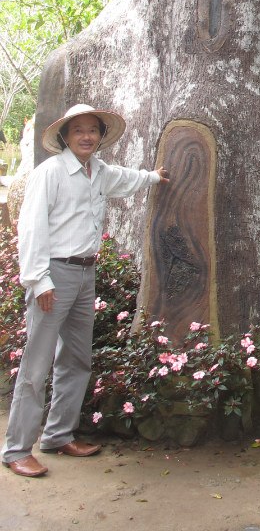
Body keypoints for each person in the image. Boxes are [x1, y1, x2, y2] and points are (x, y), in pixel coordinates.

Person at [2, 104, 169, 479]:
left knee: (77, 359)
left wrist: (155, 177)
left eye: (92, 130)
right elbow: (31, 228)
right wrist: (40, 280)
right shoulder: (51, 173)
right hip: (54, 275)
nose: (86, 136)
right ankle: (15, 449)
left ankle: (58, 434)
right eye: (78, 130)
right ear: (65, 136)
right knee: (36, 364)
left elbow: (127, 178)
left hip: (85, 273)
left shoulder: (99, 171)